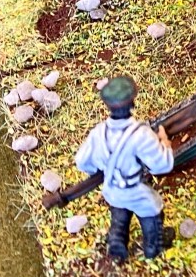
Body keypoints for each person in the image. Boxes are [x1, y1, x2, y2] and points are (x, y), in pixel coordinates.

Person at [74, 76, 175, 261]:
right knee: (152, 212)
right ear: (132, 103)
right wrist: (165, 144)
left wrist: (99, 170)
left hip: (113, 190)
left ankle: (116, 247)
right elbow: (162, 165)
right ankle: (153, 247)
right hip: (134, 189)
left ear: (108, 105)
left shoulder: (98, 133)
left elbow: (82, 161)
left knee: (119, 217)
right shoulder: (142, 134)